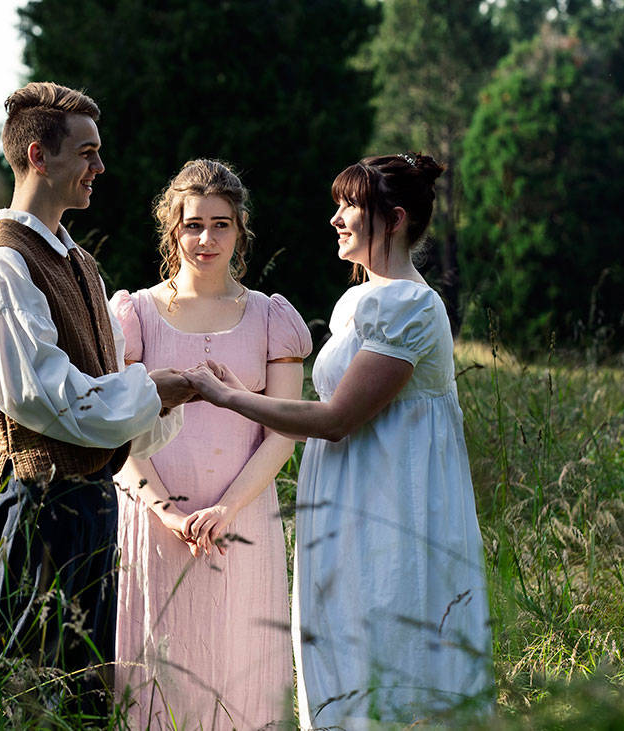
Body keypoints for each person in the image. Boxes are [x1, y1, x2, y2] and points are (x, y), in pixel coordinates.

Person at [184, 154, 493, 728]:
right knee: (341, 652)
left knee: (389, 656)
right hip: (347, 505)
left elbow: (335, 419)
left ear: (394, 219)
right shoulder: (357, 301)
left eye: (350, 205)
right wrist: (238, 392)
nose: (336, 218)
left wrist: (226, 397)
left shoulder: (412, 307)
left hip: (392, 508)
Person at [0, 81, 193, 718]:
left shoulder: (81, 264)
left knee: (85, 688)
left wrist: (160, 396)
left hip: (91, 501)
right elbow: (44, 397)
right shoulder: (3, 265)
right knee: (24, 686)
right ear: (39, 155)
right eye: (87, 152)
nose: (100, 167)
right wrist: (152, 390)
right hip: (35, 502)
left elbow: (100, 388)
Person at [110, 159, 311, 729]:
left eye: (221, 224)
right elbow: (119, 435)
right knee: (158, 676)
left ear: (240, 229)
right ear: (172, 229)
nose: (206, 238)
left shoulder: (271, 318)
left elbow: (284, 431)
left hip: (241, 521)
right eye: (193, 224)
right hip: (153, 522)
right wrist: (169, 512)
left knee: (239, 673)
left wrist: (226, 509)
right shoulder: (136, 314)